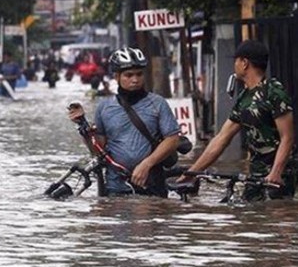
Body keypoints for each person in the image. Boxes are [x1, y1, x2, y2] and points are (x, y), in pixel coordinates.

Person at [178, 40, 296, 200]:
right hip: (256, 176)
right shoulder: (244, 98)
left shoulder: (273, 91)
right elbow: (221, 139)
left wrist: (276, 172)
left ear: (244, 63)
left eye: (236, 60)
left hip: (280, 177)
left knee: (278, 215)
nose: (235, 65)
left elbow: (287, 137)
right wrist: (192, 172)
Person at [67, 47, 180, 197]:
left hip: (151, 184)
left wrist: (147, 164)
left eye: (139, 74)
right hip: (116, 186)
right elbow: (97, 151)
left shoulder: (158, 104)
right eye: (129, 75)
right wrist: (82, 125)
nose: (135, 79)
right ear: (116, 76)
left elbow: (172, 140)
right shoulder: (104, 108)